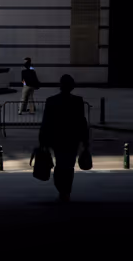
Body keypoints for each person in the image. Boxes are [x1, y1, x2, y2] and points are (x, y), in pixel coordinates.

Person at [39, 74, 90, 202]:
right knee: (69, 166)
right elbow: (82, 123)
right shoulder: (78, 101)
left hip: (57, 139)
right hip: (72, 140)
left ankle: (62, 189)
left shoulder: (51, 101)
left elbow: (46, 122)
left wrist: (43, 141)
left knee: (60, 164)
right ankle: (66, 190)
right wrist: (85, 141)